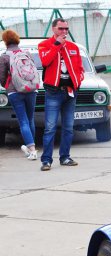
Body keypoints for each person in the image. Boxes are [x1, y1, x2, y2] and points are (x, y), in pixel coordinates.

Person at [38, 18, 84, 171]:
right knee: (50, 127)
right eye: (61, 29)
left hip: (70, 92)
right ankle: (46, 160)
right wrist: (57, 44)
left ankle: (65, 157)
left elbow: (79, 68)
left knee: (69, 128)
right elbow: (45, 61)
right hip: (53, 92)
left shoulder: (73, 47)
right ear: (53, 29)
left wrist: (79, 80)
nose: (64, 32)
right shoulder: (44, 45)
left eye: (66, 29)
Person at [0, 29, 38, 160]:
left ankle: (32, 151)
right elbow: (33, 69)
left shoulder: (4, 56)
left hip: (15, 91)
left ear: (5, 41)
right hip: (31, 89)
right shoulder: (26, 53)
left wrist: (8, 86)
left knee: (23, 121)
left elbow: (2, 77)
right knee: (30, 119)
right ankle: (30, 148)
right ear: (17, 39)